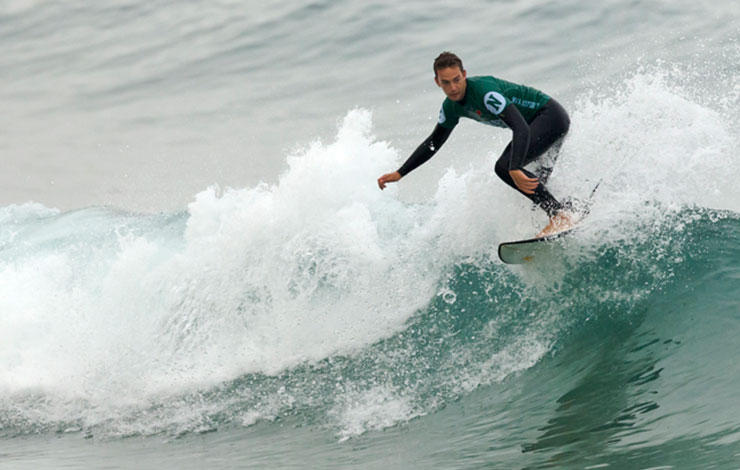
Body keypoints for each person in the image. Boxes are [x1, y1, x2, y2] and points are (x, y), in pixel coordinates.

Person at [377, 51, 573, 237]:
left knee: (505, 168)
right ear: (437, 83)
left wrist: (514, 167)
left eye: (456, 80)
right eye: (446, 83)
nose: (453, 88)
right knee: (536, 188)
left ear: (464, 75)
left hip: (549, 117)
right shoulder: (451, 107)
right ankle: (568, 211)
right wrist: (400, 173)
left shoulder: (485, 93)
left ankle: (559, 215)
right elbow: (434, 143)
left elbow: (520, 127)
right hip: (536, 126)